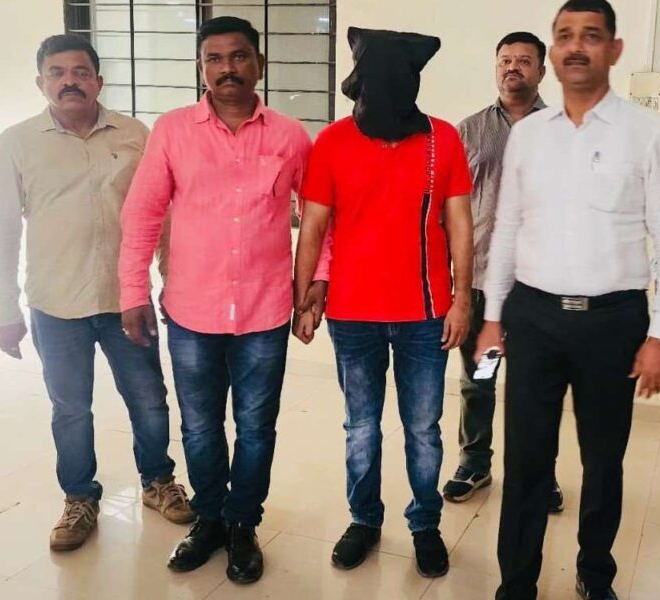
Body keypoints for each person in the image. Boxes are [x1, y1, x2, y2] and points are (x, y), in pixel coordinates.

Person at [474, 2, 660, 598]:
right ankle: (516, 583)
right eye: (565, 35)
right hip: (533, 316)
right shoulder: (528, 135)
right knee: (525, 460)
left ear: (614, 50)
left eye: (591, 36)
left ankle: (595, 574)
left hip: (613, 323)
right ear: (554, 51)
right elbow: (507, 229)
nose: (577, 46)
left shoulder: (651, 134)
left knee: (603, 461)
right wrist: (492, 317)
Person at [118, 16, 313, 584]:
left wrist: (314, 285)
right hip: (191, 309)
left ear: (260, 64)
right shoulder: (173, 130)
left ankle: (243, 525)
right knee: (201, 427)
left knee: (255, 427)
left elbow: (320, 218)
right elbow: (143, 214)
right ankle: (209, 520)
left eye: (239, 56)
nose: (228, 68)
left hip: (265, 311)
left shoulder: (290, 136)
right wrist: (133, 291)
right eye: (215, 58)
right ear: (202, 67)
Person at [0, 34, 192, 553]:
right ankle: (79, 497)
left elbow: (162, 216)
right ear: (41, 82)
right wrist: (4, 306)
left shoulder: (135, 135)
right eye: (57, 73)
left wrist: (170, 281)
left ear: (98, 81)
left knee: (149, 400)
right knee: (71, 409)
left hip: (126, 301)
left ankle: (158, 481)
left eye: (80, 72)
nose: (69, 81)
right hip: (54, 303)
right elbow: (2, 227)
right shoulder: (17, 142)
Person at [293, 27, 474, 579]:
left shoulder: (443, 139)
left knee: (423, 429)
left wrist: (462, 299)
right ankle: (364, 519)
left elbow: (460, 224)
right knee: (361, 427)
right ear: (359, 82)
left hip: (425, 313)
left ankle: (425, 524)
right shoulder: (332, 142)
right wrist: (302, 297)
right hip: (352, 314)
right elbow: (313, 225)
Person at [442, 31, 563, 512]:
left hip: (539, 289)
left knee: (537, 387)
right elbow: (450, 210)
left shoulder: (563, 130)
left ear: (542, 70)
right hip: (482, 285)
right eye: (505, 60)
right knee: (480, 380)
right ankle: (475, 463)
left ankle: (539, 474)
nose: (513, 67)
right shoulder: (467, 131)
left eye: (524, 61)